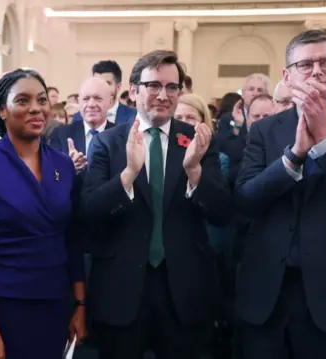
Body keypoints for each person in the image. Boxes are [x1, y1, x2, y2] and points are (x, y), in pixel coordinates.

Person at [82, 50, 231, 359]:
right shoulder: (108, 142)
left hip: (185, 291)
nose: (163, 95)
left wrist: (194, 172)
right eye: (153, 86)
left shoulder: (198, 140)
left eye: (172, 87)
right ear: (134, 90)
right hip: (120, 290)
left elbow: (222, 212)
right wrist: (128, 174)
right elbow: (90, 212)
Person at [235, 29, 326, 358]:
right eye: (305, 64)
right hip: (267, 294)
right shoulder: (266, 129)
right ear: (287, 75)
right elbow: (246, 200)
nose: (317, 70)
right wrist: (292, 156)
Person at [0, 69, 86, 359]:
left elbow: (72, 238)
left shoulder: (63, 165)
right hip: (3, 308)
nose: (36, 108)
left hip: (55, 302)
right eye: (23, 100)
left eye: (41, 100)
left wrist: (80, 305)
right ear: (2, 110)